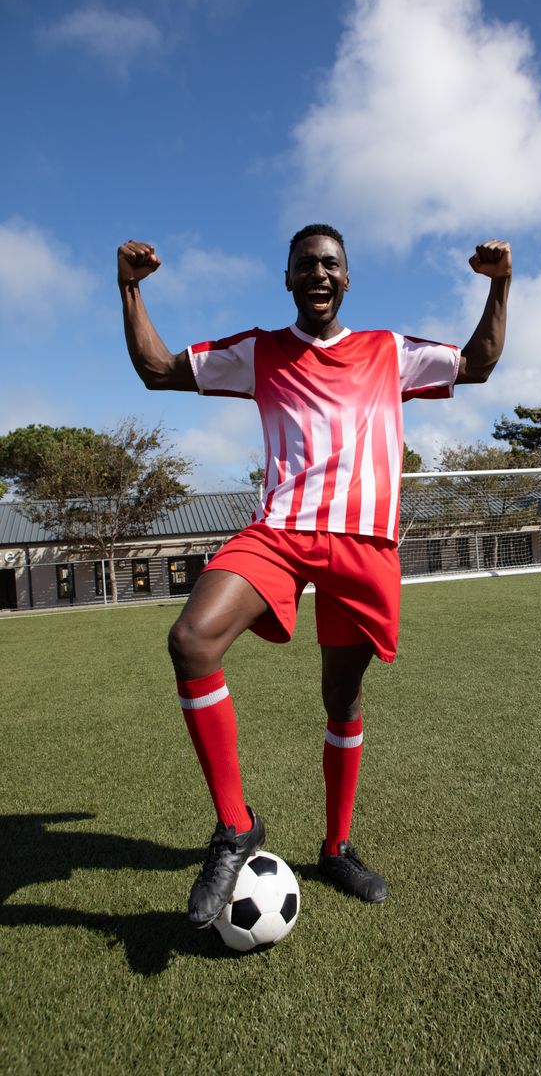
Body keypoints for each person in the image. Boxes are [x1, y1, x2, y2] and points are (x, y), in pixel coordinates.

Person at [118, 224, 511, 928]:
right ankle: (235, 825)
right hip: (281, 533)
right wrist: (130, 288)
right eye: (306, 265)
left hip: (363, 544)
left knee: (343, 700)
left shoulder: (388, 351)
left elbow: (478, 363)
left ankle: (336, 848)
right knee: (191, 641)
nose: (319, 274)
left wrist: (499, 283)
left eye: (330, 264)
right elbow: (155, 368)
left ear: (347, 278)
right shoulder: (260, 351)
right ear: (289, 280)